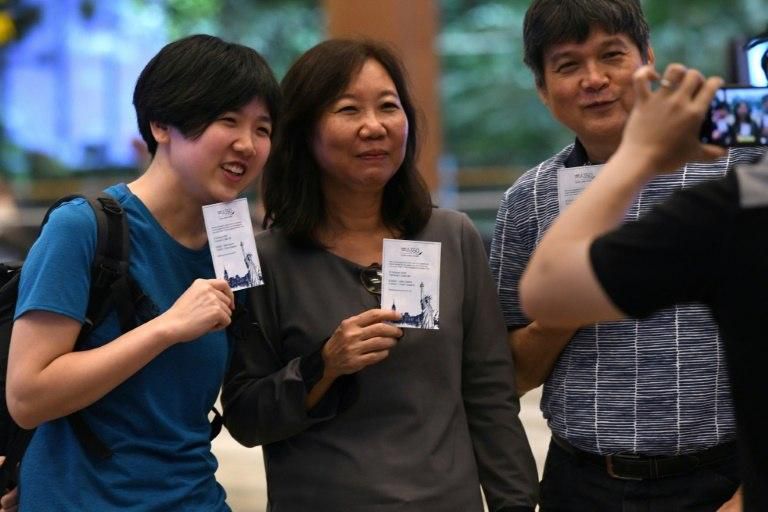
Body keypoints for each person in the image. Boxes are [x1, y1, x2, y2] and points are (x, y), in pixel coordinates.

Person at [222, 38, 539, 512]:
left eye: (388, 107)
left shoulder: (450, 237)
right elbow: (246, 418)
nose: (374, 127)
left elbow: (490, 397)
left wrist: (514, 503)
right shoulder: (261, 260)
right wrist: (323, 364)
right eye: (348, 110)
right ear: (304, 131)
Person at [488, 0, 766, 510]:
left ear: (647, 60)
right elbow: (513, 374)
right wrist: (566, 306)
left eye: (612, 55)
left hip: (725, 478)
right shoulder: (526, 200)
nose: (593, 79)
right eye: (568, 65)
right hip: (582, 480)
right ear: (543, 89)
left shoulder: (738, 173)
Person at [6, 34, 279, 510]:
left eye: (263, 128)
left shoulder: (231, 239)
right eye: (227, 121)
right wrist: (166, 328)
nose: (248, 144)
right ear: (160, 124)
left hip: (193, 497)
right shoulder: (83, 227)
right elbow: (28, 397)